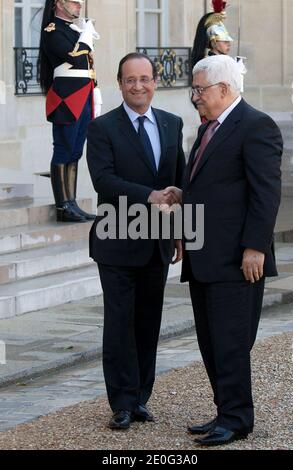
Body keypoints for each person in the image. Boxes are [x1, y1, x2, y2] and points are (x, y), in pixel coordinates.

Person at [180, 55, 282, 446]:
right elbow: (209, 187)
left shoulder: (256, 126)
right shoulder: (209, 128)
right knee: (210, 342)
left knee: (231, 342)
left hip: (238, 260)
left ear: (224, 89)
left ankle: (238, 419)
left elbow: (266, 194)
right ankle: (225, 410)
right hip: (204, 256)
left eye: (200, 90)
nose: (195, 97)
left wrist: (255, 247)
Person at [87, 53, 185, 430]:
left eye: (145, 78)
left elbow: (178, 182)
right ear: (120, 83)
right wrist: (150, 196)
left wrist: (179, 231)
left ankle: (142, 397)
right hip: (116, 240)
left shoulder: (171, 123)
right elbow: (104, 182)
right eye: (131, 80)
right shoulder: (102, 128)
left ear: (155, 81)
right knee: (119, 324)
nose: (138, 86)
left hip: (156, 241)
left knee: (148, 323)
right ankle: (122, 402)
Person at [39, 0, 102, 222]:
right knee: (64, 149)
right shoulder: (53, 29)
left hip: (83, 95)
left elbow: (87, 64)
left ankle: (72, 202)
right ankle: (62, 206)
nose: (79, 6)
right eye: (75, 2)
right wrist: (86, 36)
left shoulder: (73, 30)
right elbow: (74, 57)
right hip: (66, 98)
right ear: (59, 3)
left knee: (76, 150)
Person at [191, 0, 233, 69]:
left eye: (228, 41)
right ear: (214, 42)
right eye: (224, 41)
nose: (229, 44)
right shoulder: (206, 64)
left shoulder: (226, 61)